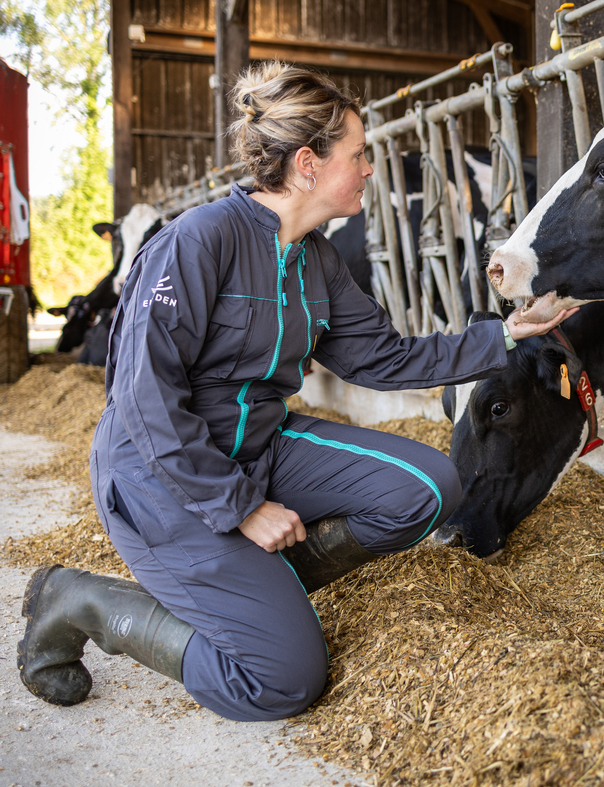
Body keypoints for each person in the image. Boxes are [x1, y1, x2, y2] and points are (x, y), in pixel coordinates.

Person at [16, 62, 573, 721]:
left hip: (260, 445)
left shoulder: (316, 258)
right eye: (359, 154)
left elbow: (383, 357)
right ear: (308, 163)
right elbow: (144, 400)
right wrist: (241, 507)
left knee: (428, 486)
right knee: (282, 680)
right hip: (160, 479)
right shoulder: (199, 242)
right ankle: (79, 601)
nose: (369, 170)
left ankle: (254, 593)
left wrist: (506, 334)